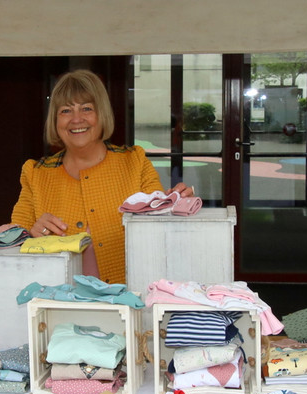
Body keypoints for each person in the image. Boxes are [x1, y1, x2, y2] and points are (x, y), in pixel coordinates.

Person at [11, 69, 191, 285]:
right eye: (66, 110)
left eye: (87, 108)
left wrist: (178, 204)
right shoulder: (36, 173)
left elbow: (158, 226)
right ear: (55, 120)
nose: (76, 119)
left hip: (129, 297)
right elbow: (11, 241)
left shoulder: (135, 162)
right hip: (57, 299)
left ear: (102, 114)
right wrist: (31, 234)